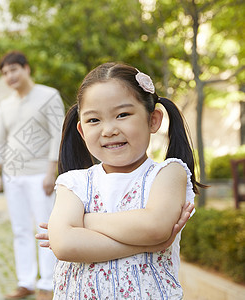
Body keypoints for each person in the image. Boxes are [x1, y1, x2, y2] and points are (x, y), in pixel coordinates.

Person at [45, 62, 204, 299]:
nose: (108, 130)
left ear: (153, 120)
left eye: (122, 115)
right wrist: (148, 246)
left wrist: (85, 222)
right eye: (94, 120)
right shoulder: (73, 182)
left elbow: (154, 227)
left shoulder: (168, 173)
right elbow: (65, 245)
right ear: (81, 131)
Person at [0, 50, 65, 300]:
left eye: (14, 70)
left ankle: (48, 282)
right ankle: (26, 282)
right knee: (20, 229)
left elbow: (57, 134)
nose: (10, 76)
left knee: (45, 228)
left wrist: (50, 171)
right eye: (5, 73)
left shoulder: (48, 95)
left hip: (39, 174)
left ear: (26, 68)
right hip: (13, 176)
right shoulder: (5, 105)